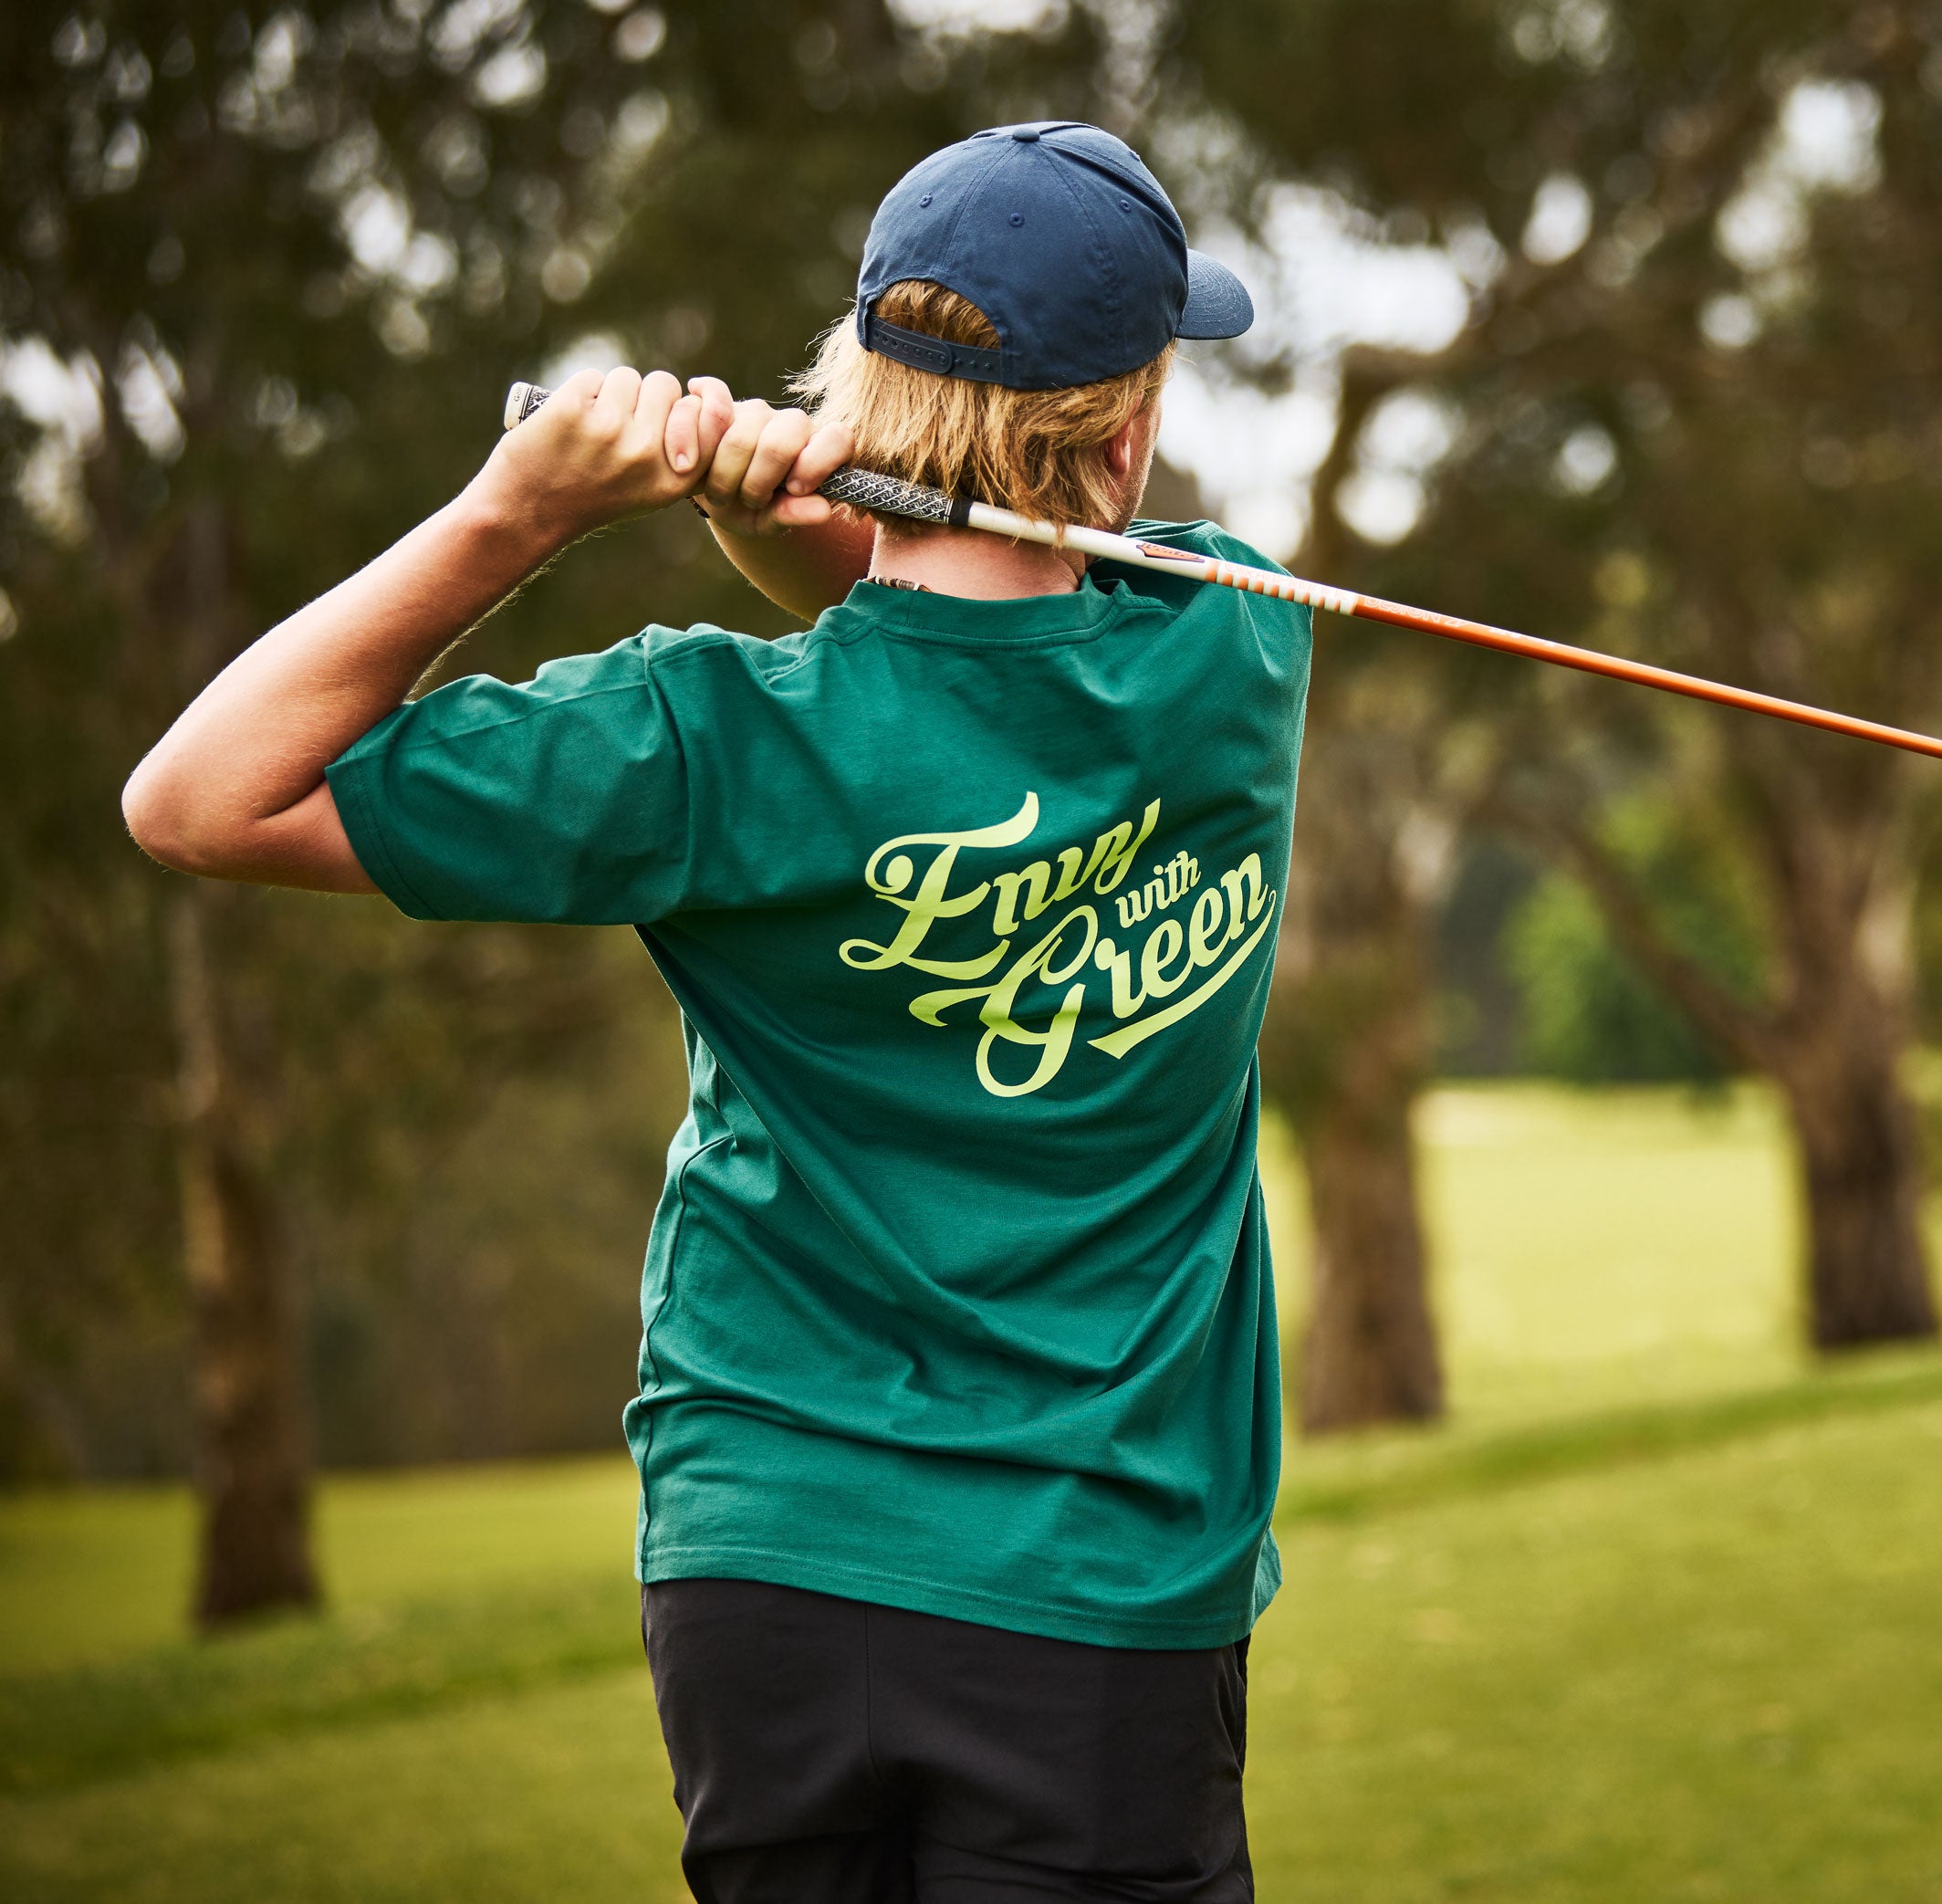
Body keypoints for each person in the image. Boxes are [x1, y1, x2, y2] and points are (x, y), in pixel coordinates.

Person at [123, 120, 1303, 1903]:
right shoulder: (1230, 647)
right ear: (1125, 430)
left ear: (858, 378)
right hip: (1095, 1576)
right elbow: (977, 645)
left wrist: (511, 514)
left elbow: (200, 796)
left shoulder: (696, 741)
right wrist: (825, 514)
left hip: (766, 1569)